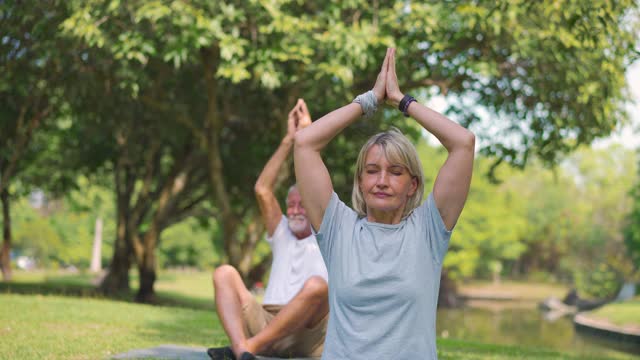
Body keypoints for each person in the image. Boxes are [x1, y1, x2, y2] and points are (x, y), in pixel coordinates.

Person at [293, 48, 475, 359]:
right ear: (361, 183)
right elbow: (305, 142)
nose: (381, 181)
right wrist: (369, 100)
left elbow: (463, 143)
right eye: (372, 171)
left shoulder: (428, 231)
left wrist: (403, 101)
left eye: (395, 172)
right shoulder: (338, 228)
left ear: (412, 184)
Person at [208, 100, 329, 360]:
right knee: (224, 273)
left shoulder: (328, 231)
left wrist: (306, 138)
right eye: (291, 205)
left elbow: (318, 183)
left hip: (308, 331)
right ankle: (243, 349)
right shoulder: (282, 231)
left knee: (318, 285)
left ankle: (246, 350)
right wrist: (289, 140)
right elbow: (262, 189)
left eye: (303, 204)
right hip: (265, 321)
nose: (296, 210)